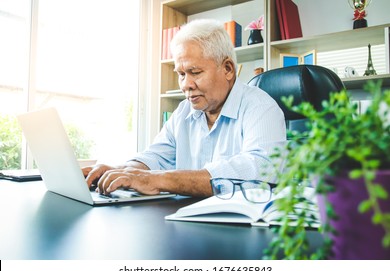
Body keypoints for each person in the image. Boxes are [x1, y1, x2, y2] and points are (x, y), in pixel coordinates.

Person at [83, 19, 286, 197]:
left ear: (228, 69)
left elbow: (261, 170)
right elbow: (156, 157)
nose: (185, 85)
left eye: (195, 72)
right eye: (181, 74)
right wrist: (121, 172)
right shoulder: (184, 111)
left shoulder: (261, 107)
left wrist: (158, 180)